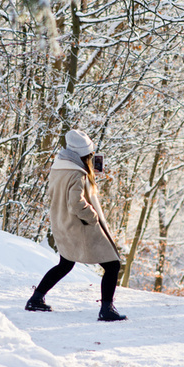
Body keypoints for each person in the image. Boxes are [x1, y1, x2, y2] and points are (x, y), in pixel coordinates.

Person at [25, 129, 126, 321]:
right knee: (112, 264)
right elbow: (76, 203)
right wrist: (92, 217)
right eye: (90, 155)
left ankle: (36, 299)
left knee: (65, 264)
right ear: (83, 154)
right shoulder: (77, 174)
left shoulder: (59, 167)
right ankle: (107, 310)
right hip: (80, 227)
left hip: (62, 225)